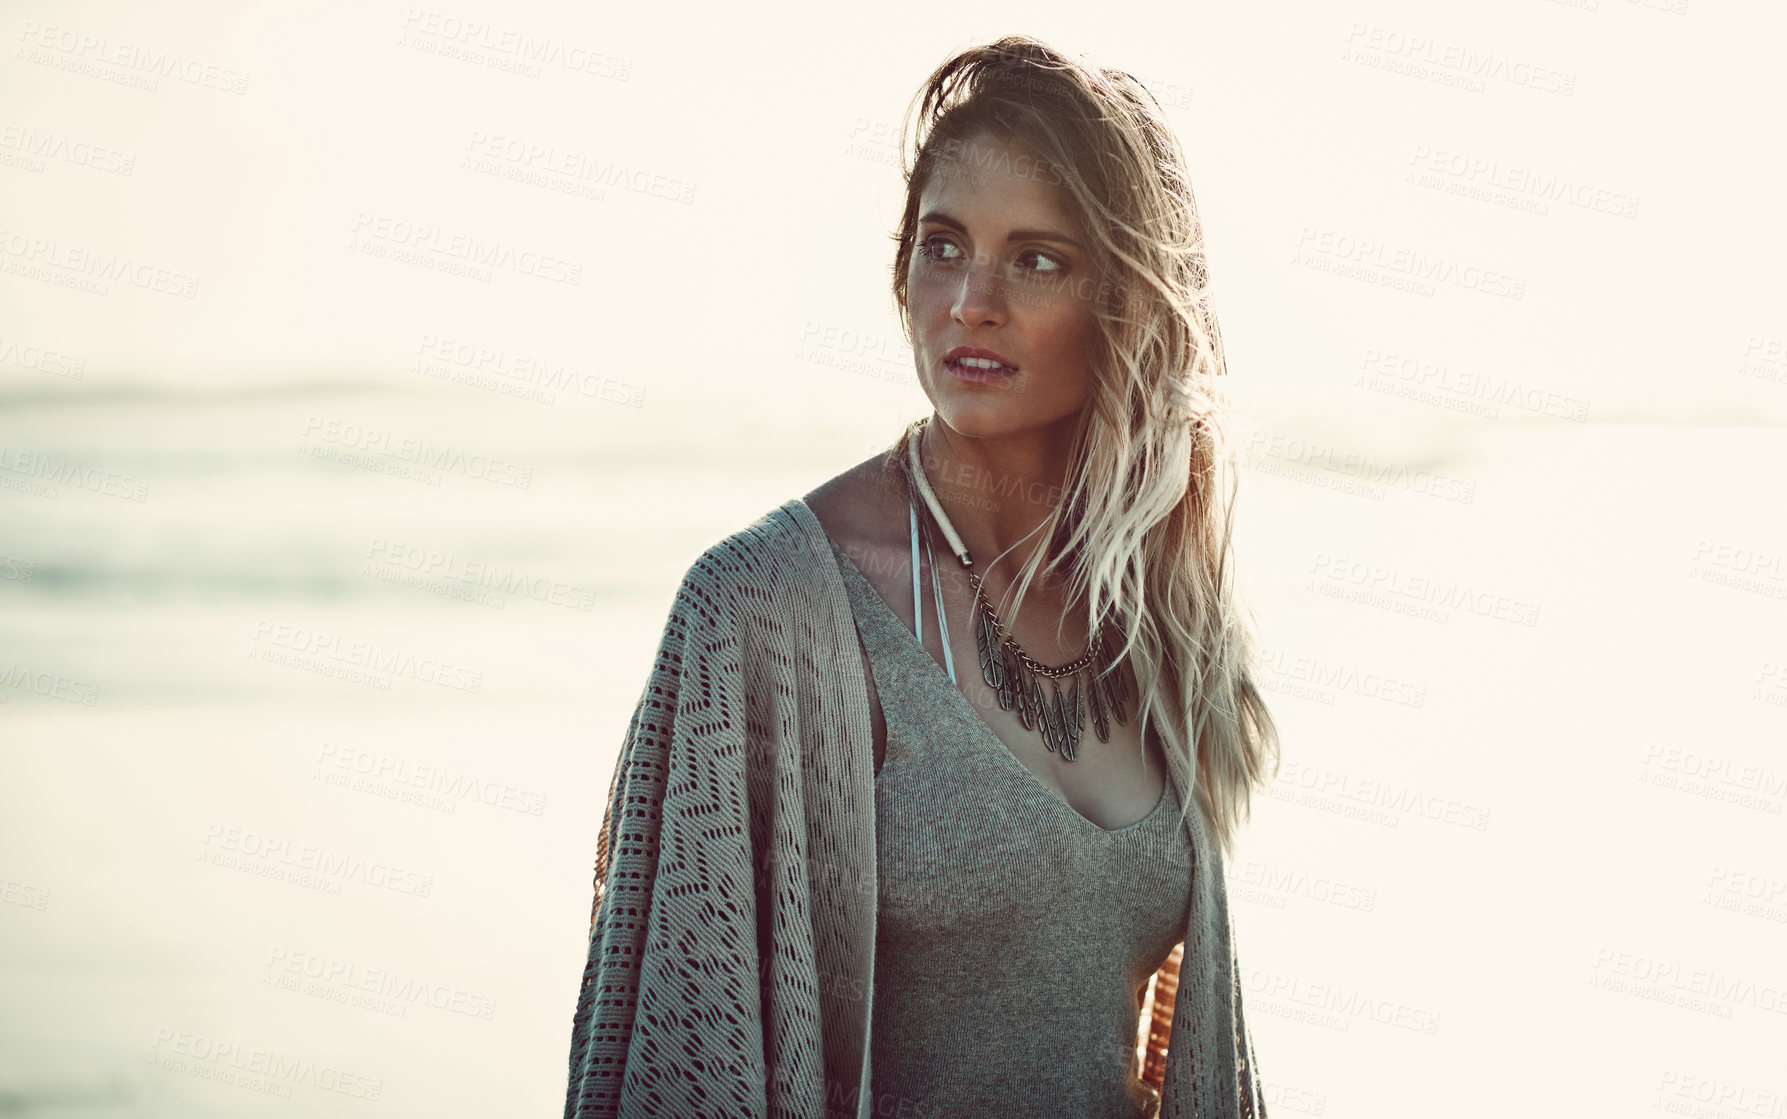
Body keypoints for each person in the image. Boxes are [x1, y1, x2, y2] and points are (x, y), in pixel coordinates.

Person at [565, 35, 1280, 1119]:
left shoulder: (1147, 607)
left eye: (1036, 258)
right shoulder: (764, 609)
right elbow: (678, 1056)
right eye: (943, 246)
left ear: (1119, 300)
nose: (971, 301)